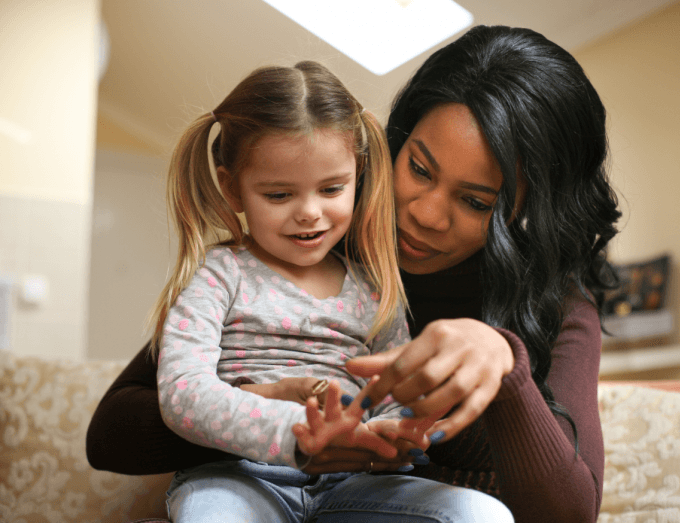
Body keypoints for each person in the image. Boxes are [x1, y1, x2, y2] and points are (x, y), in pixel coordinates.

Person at [87, 25, 621, 522]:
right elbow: (113, 432)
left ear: (529, 208)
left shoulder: (559, 309)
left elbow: (571, 513)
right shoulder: (318, 243)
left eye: (476, 201)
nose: (425, 214)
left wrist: (506, 370)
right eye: (418, 168)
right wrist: (270, 408)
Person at [143, 60, 515, 522]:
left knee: (482, 515)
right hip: (239, 478)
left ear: (357, 178)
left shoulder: (375, 289)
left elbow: (393, 397)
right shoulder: (219, 275)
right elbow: (184, 393)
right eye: (279, 195)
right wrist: (297, 433)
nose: (309, 213)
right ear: (232, 190)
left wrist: (389, 436)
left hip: (353, 487)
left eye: (332, 188)